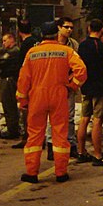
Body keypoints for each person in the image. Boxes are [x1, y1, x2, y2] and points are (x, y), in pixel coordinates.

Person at [16, 21, 86, 183]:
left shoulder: (32, 53)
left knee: (34, 135)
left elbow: (23, 79)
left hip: (37, 97)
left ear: (41, 36)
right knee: (60, 134)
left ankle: (32, 173)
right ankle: (61, 172)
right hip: (59, 95)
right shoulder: (66, 51)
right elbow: (81, 71)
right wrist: (72, 86)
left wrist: (23, 100)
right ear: (57, 34)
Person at [76, 19, 103, 166]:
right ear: (102, 30)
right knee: (97, 121)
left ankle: (81, 152)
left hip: (86, 86)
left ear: (88, 28)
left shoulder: (82, 46)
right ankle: (98, 155)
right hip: (100, 87)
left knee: (84, 118)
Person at [45, 17, 80, 160]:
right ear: (59, 28)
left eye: (71, 27)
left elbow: (79, 66)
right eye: (67, 27)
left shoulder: (74, 45)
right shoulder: (50, 45)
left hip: (67, 86)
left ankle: (71, 145)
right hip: (51, 86)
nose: (70, 30)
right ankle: (50, 145)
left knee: (69, 117)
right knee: (51, 117)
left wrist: (73, 83)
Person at [13, 20, 37, 149]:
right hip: (38, 81)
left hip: (28, 82)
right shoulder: (36, 41)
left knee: (26, 109)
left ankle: (27, 137)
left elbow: (23, 66)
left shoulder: (25, 45)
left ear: (19, 31)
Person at [0, 33, 21, 140]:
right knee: (9, 105)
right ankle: (13, 128)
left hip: (10, 79)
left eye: (5, 40)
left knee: (9, 104)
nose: (3, 43)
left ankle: (12, 130)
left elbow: (0, 62)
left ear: (12, 40)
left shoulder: (13, 52)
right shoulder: (13, 51)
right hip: (11, 78)